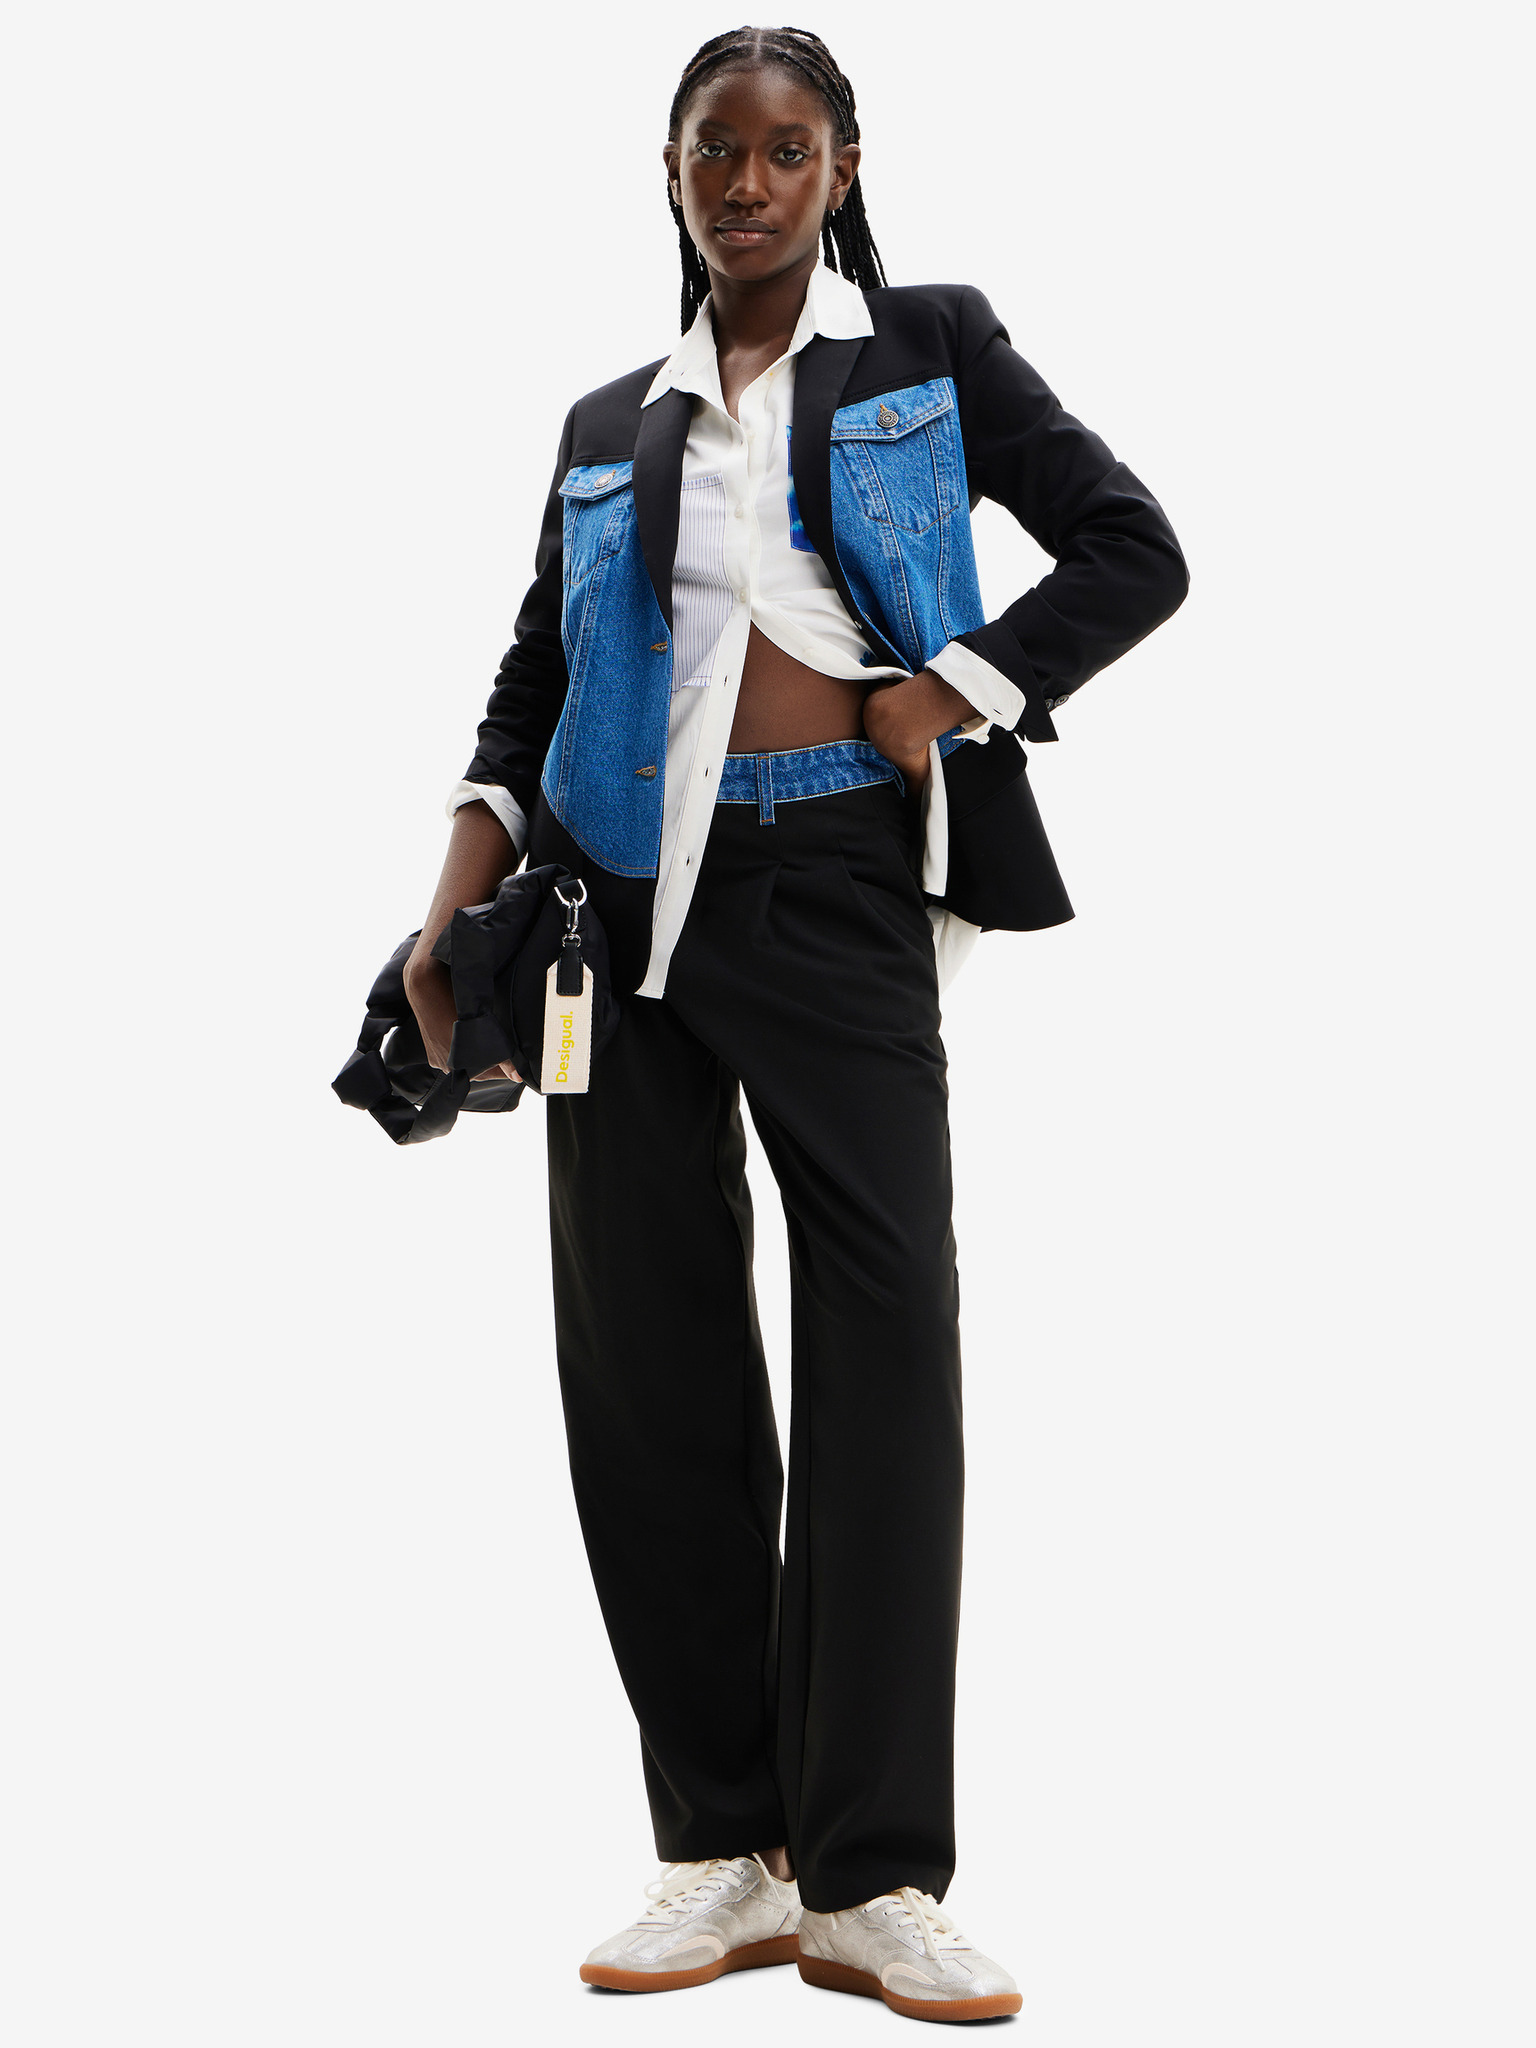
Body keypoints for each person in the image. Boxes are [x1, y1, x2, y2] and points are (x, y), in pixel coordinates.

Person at [404, 24, 1187, 2025]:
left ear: (841, 167)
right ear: (669, 174)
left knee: (885, 1345)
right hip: (616, 904)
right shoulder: (610, 416)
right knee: (644, 1358)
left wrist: (959, 688)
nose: (744, 184)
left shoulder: (926, 347)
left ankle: (876, 1874)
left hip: (836, 879)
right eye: (711, 151)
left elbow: (1134, 546)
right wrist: (449, 895)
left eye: (781, 150)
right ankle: (723, 1851)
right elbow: (535, 670)